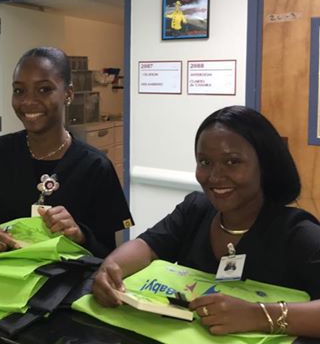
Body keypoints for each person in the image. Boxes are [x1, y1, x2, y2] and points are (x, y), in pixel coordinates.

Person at [92, 105, 320, 337]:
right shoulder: (196, 210)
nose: (214, 176)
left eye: (232, 162)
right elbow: (147, 246)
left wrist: (257, 316)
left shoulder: (297, 232)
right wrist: (111, 269)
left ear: (265, 165)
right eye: (205, 162)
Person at [0, 47, 133, 257]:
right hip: (7, 276)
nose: (28, 101)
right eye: (19, 91)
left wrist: (80, 235)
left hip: (66, 282)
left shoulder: (95, 166)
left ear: (68, 94)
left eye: (44, 90)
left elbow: (108, 251)